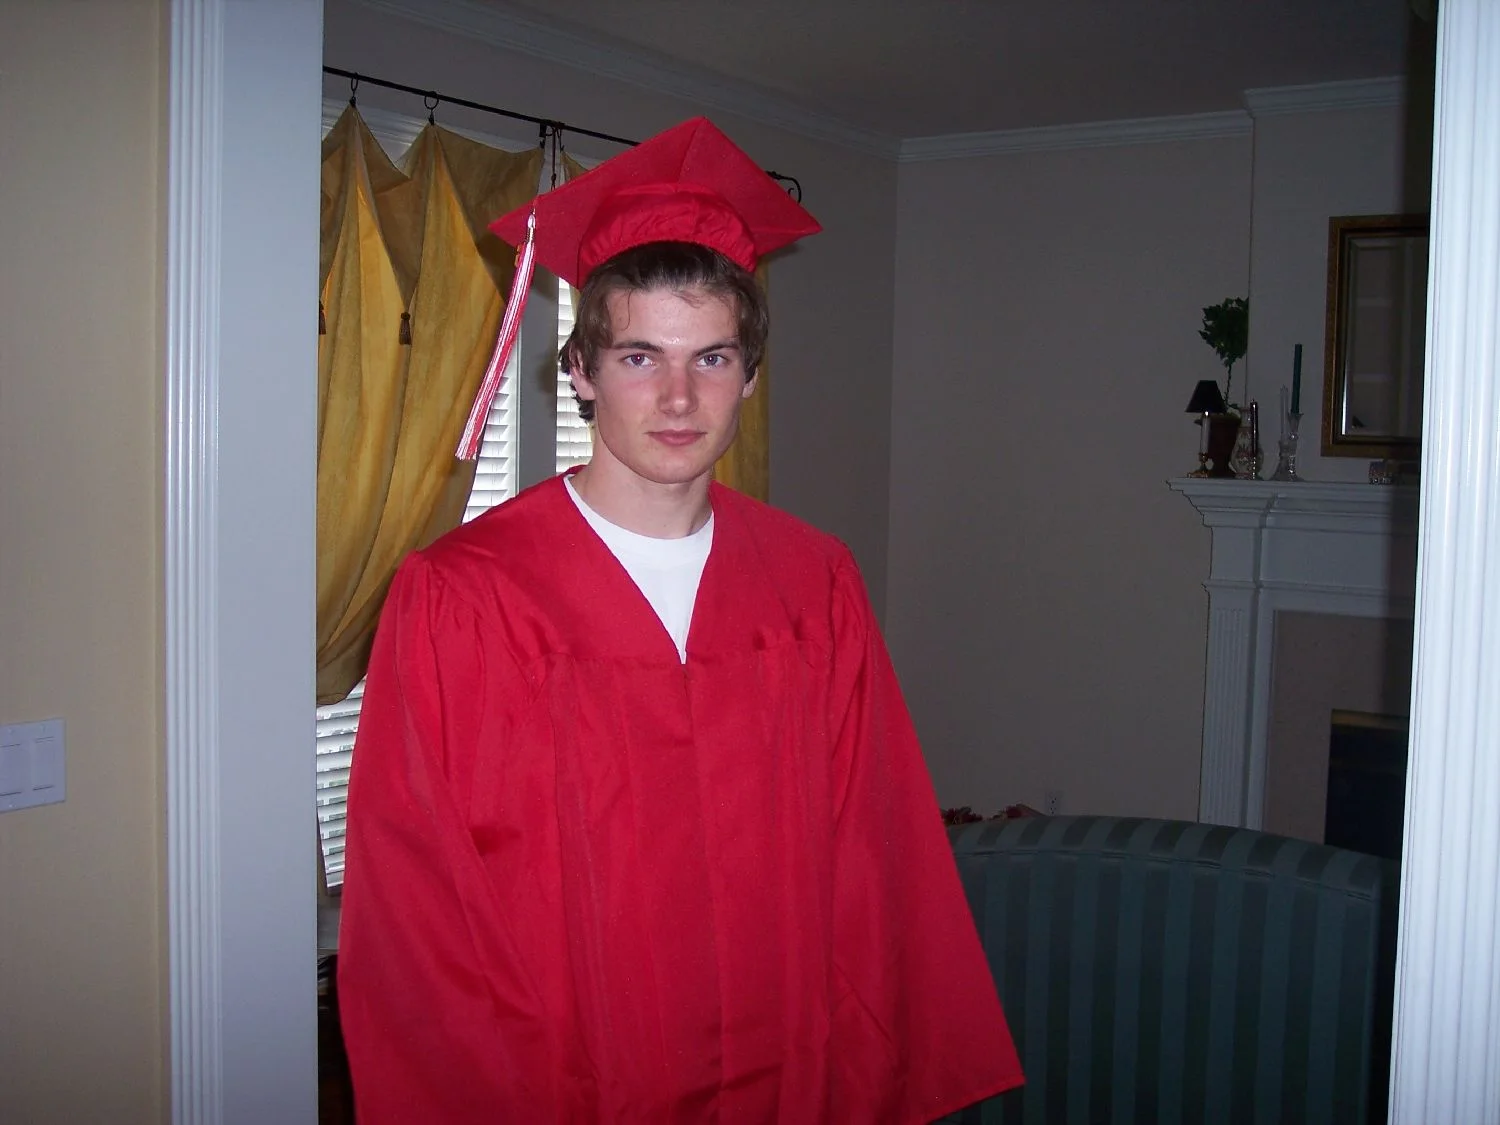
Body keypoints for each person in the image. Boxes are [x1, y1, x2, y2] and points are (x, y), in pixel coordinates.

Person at [337, 116, 1022, 1124]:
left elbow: (875, 856)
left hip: (787, 1068)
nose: (676, 398)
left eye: (711, 358)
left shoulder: (813, 584)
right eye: (638, 356)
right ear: (579, 371)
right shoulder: (464, 597)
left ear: (751, 374)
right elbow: (420, 908)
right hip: (568, 1076)